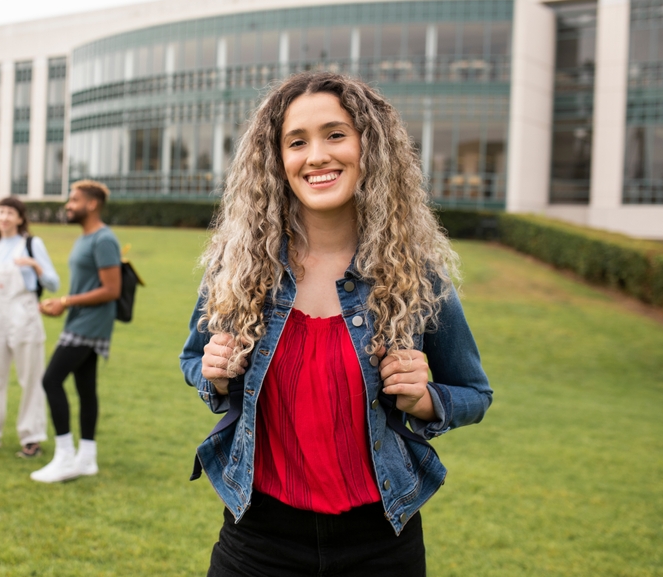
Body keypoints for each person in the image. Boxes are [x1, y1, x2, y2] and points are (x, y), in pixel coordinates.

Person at [179, 72, 493, 576]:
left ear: (370, 147)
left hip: (379, 546)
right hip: (257, 542)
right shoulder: (238, 267)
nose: (317, 156)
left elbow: (475, 391)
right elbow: (193, 359)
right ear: (277, 162)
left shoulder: (415, 274)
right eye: (297, 142)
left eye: (335, 134)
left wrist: (427, 399)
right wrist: (212, 374)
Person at [32, 180, 122, 483]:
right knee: (85, 387)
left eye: (74, 200)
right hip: (79, 319)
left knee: (51, 379)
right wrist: (62, 304)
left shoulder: (104, 239)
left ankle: (64, 456)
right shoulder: (85, 238)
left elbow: (112, 289)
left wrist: (65, 301)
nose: (68, 205)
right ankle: (87, 458)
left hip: (91, 323)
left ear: (91, 204)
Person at [0, 197, 60, 457]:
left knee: (30, 376)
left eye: (10, 213)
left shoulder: (31, 243)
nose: (5, 217)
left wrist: (35, 266)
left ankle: (32, 437)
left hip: (23, 312)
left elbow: (53, 283)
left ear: (20, 218)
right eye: (1, 212)